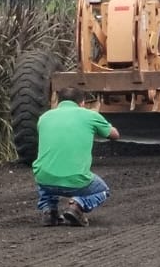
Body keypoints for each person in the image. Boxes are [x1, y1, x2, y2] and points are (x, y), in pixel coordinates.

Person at [31, 95, 119, 227]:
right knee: (102, 190)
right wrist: (100, 122)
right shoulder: (90, 115)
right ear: (82, 103)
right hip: (77, 180)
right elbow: (115, 135)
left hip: (44, 179)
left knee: (46, 172)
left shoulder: (44, 117)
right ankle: (77, 205)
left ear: (57, 101)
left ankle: (49, 211)